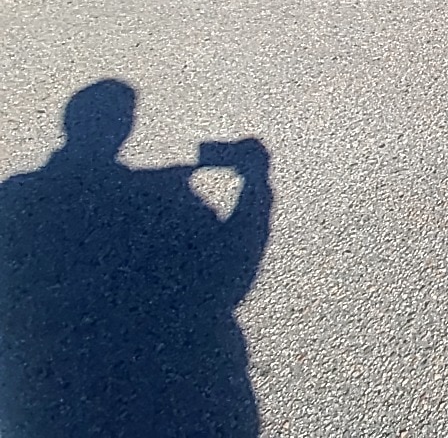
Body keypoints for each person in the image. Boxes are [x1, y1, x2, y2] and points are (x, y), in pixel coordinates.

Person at [0, 79, 271, 438]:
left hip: (44, 401)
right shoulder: (165, 203)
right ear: (125, 129)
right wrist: (255, 185)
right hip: (178, 400)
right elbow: (225, 279)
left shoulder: (15, 198)